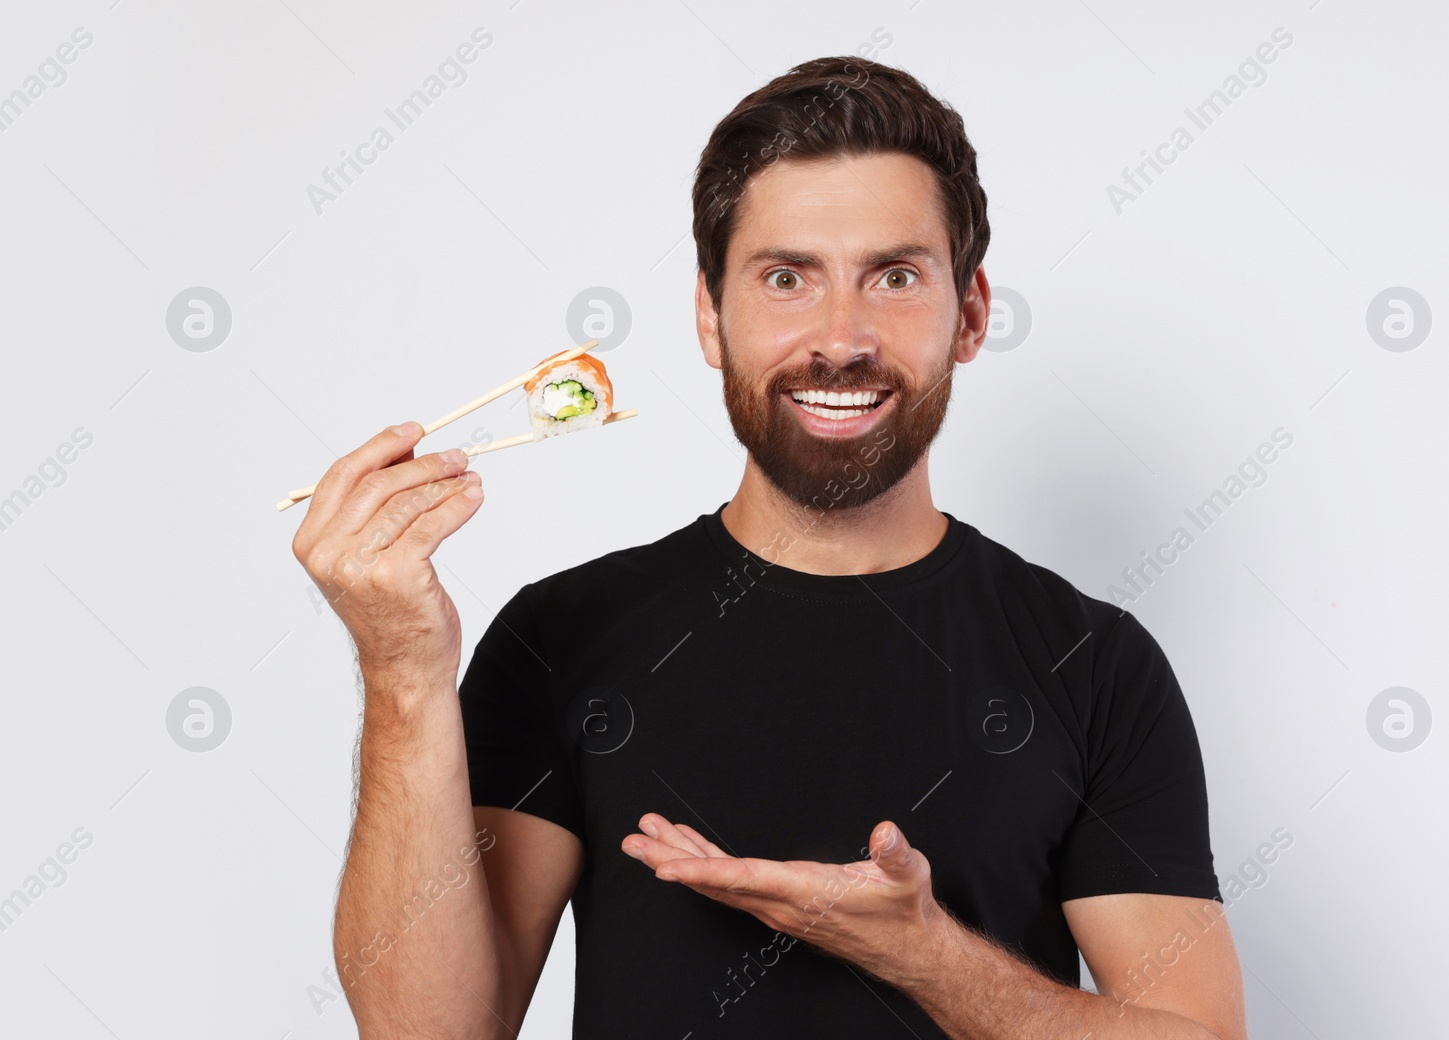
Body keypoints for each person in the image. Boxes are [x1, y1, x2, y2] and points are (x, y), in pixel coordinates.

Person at [293, 55, 1247, 1040]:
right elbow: (429, 1031)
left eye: (895, 275)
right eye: (786, 277)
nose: (841, 336)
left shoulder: (1093, 664)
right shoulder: (560, 635)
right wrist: (402, 667)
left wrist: (930, 956)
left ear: (969, 314)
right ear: (711, 314)